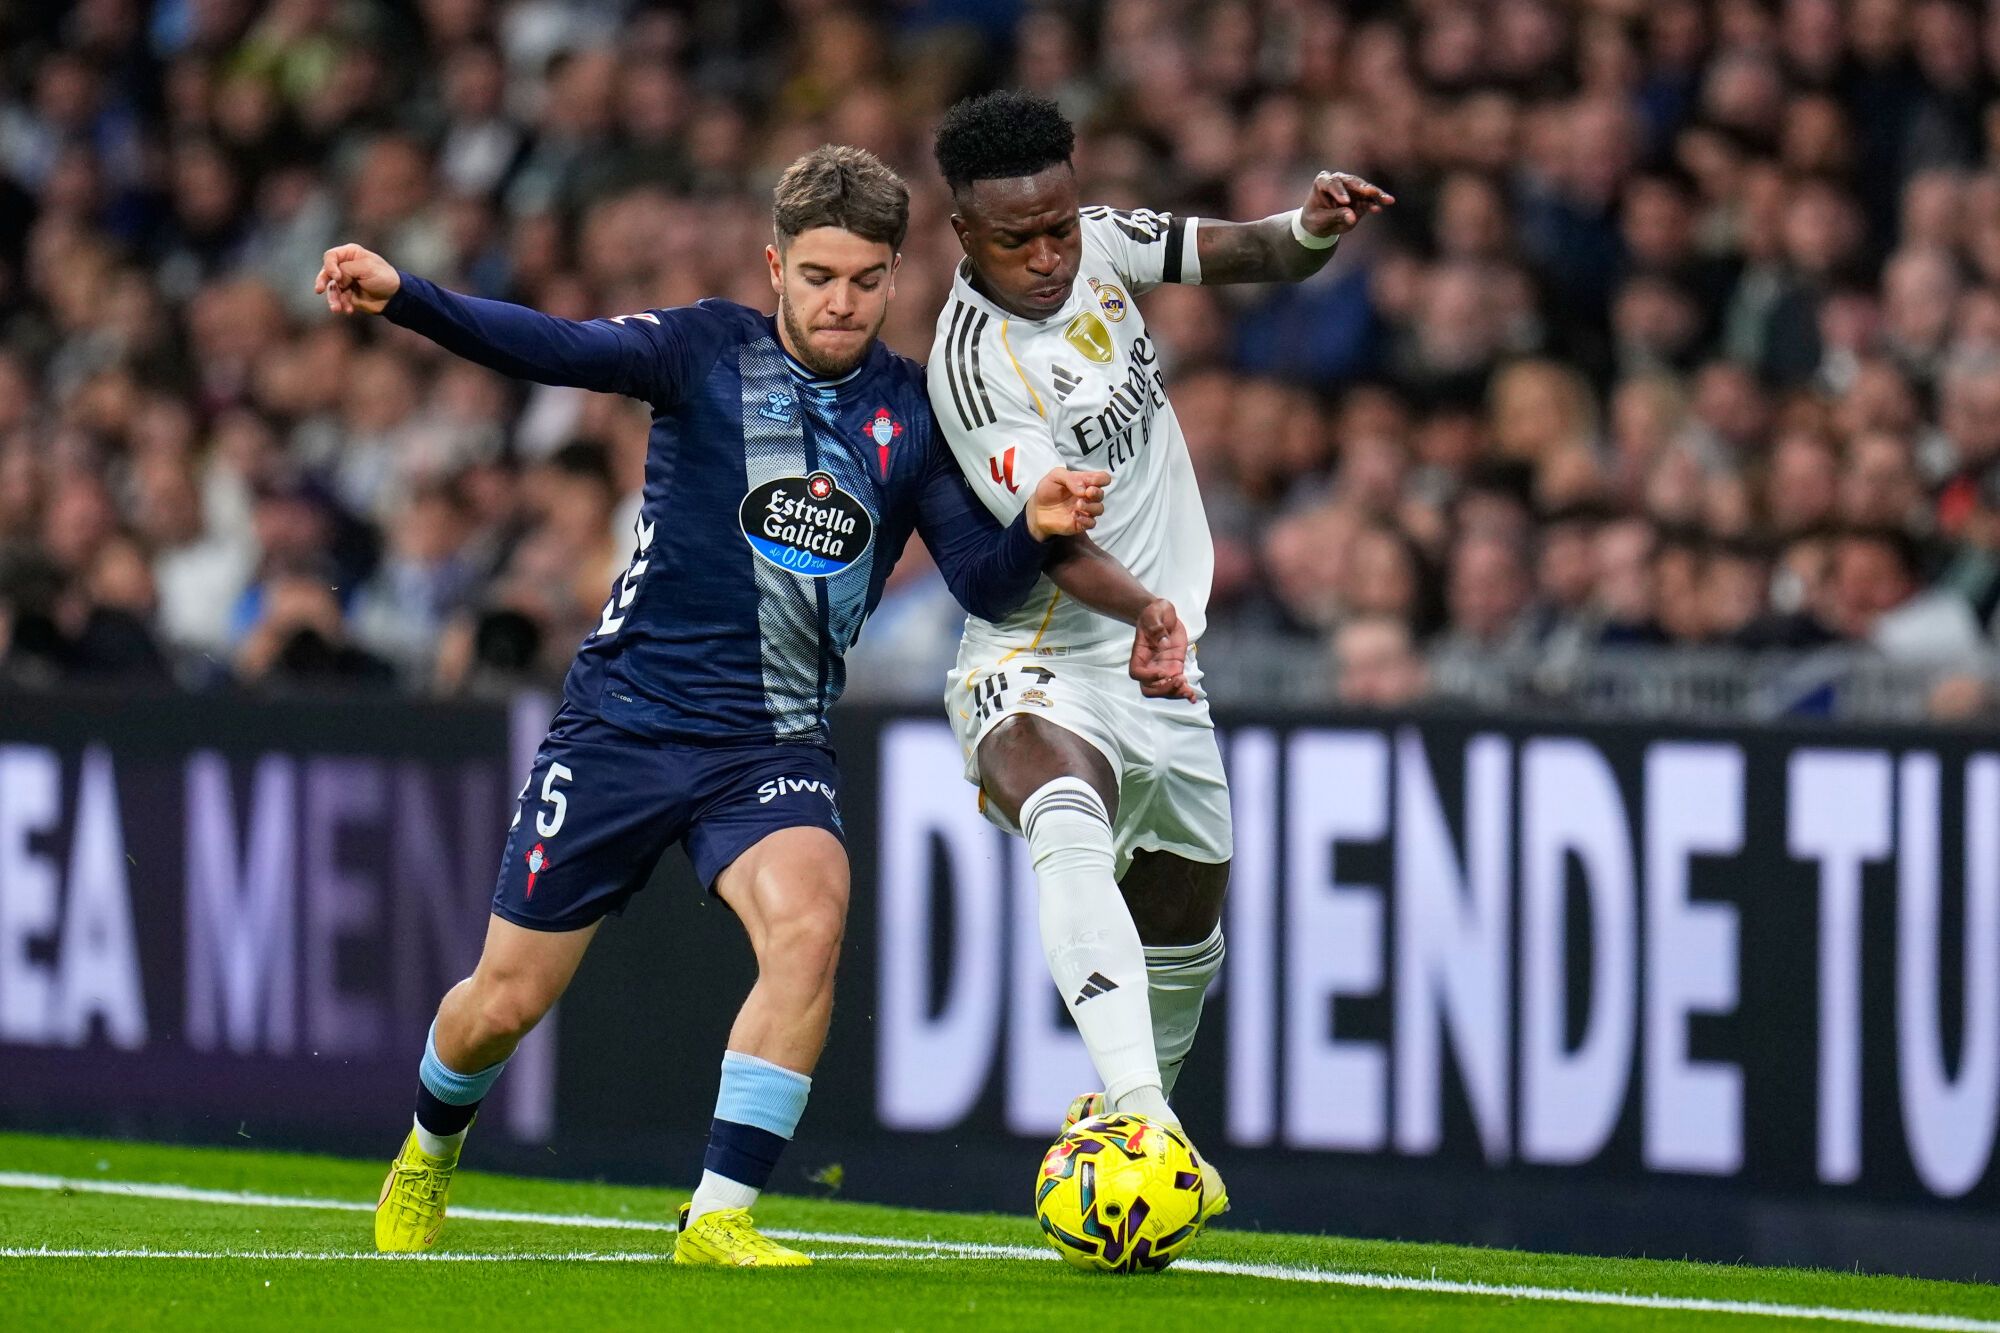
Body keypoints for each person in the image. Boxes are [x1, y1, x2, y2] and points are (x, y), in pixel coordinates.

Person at [320, 145, 1156, 1267]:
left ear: (895, 277)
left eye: (864, 279)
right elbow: (555, 346)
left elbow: (977, 579)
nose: (841, 301)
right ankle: (427, 1151)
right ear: (775, 266)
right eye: (818, 276)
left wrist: (1037, 532)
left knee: (811, 920)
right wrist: (407, 297)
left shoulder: (913, 415)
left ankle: (718, 1214)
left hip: (769, 746)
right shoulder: (704, 349)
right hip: (621, 724)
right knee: (501, 1004)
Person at [924, 90, 1393, 1219]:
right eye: (1015, 239)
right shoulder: (975, 366)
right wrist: (1142, 610)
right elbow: (1052, 543)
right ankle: (1145, 1119)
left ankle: (1125, 1129)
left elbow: (1237, 252)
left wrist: (1311, 226)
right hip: (1039, 653)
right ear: (963, 238)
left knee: (1188, 916)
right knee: (1067, 818)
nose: (1046, 255)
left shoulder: (1100, 248)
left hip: (1157, 658)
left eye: (1058, 224)